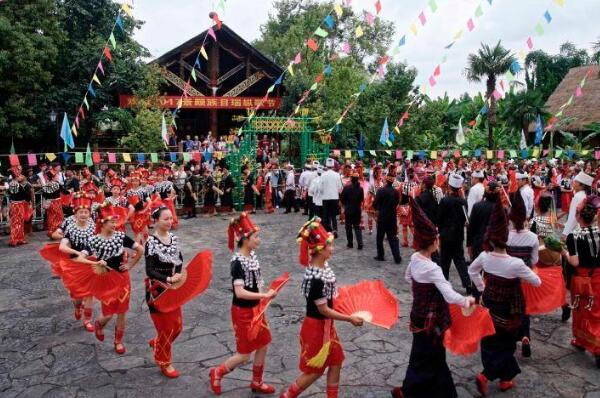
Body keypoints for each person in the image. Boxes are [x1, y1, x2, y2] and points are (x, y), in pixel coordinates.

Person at [391, 199, 475, 398]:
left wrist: (420, 292)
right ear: (433, 243)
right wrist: (467, 301)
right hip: (432, 318)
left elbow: (407, 277)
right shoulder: (432, 268)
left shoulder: (414, 259)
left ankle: (437, 391)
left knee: (425, 354)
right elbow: (448, 293)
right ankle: (412, 390)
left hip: (417, 313)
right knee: (429, 355)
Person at [279, 218, 363, 397]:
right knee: (315, 371)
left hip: (326, 327)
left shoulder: (322, 270)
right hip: (316, 329)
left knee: (336, 361)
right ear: (318, 250)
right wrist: (349, 319)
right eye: (328, 246)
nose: (331, 249)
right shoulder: (316, 279)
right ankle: (286, 396)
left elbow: (330, 301)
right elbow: (324, 310)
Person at [468, 200, 541, 395]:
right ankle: (486, 375)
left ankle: (506, 379)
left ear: (490, 239)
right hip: (510, 308)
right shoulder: (515, 263)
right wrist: (521, 274)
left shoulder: (485, 257)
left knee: (490, 342)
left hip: (489, 303)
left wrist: (482, 288)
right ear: (505, 238)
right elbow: (536, 282)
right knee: (507, 345)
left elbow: (472, 271)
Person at [210, 213, 277, 395]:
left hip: (256, 309)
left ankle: (257, 381)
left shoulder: (252, 255)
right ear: (244, 239)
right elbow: (239, 292)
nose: (258, 240)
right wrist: (264, 295)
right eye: (255, 237)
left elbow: (256, 282)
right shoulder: (237, 262)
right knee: (244, 354)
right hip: (243, 312)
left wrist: (262, 298)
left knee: (263, 344)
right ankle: (218, 371)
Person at [90, 203, 143, 354]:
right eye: (111, 222)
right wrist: (90, 261)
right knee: (108, 313)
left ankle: (118, 341)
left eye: (115, 222)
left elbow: (140, 249)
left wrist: (130, 265)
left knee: (122, 311)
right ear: (102, 223)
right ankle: (99, 325)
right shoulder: (94, 240)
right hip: (105, 278)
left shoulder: (120, 237)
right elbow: (83, 254)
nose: (114, 224)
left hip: (122, 278)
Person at [145, 206, 185, 378]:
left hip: (173, 289)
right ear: (156, 220)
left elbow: (180, 260)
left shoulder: (173, 238)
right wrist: (167, 279)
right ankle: (164, 362)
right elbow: (150, 270)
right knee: (166, 329)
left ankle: (158, 343)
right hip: (157, 291)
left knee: (178, 327)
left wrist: (177, 274)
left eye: (171, 218)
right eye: (165, 219)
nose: (170, 222)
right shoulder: (151, 242)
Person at [562, 195, 600, 368]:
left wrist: (564, 254)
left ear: (578, 217)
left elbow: (574, 262)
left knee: (580, 309)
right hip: (598, 275)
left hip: (582, 277)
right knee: (596, 311)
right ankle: (593, 343)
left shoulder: (574, 236)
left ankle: (583, 340)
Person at [53, 193, 97, 332]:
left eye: (86, 212)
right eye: (81, 212)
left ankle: (88, 320)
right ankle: (78, 306)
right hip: (75, 265)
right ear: (75, 214)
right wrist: (79, 253)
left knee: (90, 293)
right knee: (78, 296)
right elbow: (62, 246)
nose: (84, 214)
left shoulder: (94, 226)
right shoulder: (70, 228)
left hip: (89, 264)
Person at [506, 191, 539, 358]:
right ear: (525, 219)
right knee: (524, 309)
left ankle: (510, 340)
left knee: (510, 310)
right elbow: (534, 260)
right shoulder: (533, 238)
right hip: (525, 277)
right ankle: (525, 336)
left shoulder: (506, 237)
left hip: (509, 278)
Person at [437, 174, 470, 291]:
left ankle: (443, 285)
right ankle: (467, 284)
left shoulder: (444, 201)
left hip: (445, 235)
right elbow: (466, 219)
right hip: (458, 234)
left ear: (449, 187)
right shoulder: (463, 202)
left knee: (444, 261)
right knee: (460, 260)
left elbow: (439, 218)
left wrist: (440, 230)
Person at [373, 168, 402, 264]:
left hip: (382, 217)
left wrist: (378, 209)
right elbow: (397, 202)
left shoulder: (381, 191)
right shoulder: (395, 192)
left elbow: (375, 204)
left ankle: (380, 255)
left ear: (386, 180)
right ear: (393, 181)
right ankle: (397, 257)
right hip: (392, 218)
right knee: (393, 238)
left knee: (379, 238)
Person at [467, 182, 500, 262]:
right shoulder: (501, 209)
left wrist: (469, 244)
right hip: (495, 244)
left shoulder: (477, 206)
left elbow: (471, 227)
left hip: (479, 242)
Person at [562, 171, 593, 241]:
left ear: (582, 185)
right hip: (577, 228)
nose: (573, 183)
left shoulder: (578, 196)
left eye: (576, 182)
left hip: (573, 231)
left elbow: (573, 216)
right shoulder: (581, 195)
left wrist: (565, 233)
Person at [7, 167, 33, 247]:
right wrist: (29, 201)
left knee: (15, 222)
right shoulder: (19, 185)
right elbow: (26, 195)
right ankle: (16, 239)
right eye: (18, 175)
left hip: (13, 205)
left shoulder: (11, 184)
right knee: (19, 222)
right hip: (20, 205)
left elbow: (9, 193)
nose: (20, 176)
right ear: (16, 176)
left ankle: (17, 239)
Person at [340, 171, 364, 250]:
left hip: (349, 210)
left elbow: (342, 199)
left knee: (348, 227)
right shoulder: (361, 189)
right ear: (357, 179)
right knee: (357, 227)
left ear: (351, 179)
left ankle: (350, 243)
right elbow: (361, 199)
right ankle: (360, 243)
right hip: (357, 210)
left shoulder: (347, 188)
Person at [320, 159, 342, 235]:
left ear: (326, 166)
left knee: (325, 215)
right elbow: (340, 188)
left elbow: (320, 188)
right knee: (333, 215)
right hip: (334, 197)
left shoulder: (323, 175)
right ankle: (335, 230)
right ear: (333, 166)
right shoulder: (337, 175)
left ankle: (326, 230)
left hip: (325, 197)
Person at [42, 169, 64, 238]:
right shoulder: (57, 184)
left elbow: (44, 195)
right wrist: (71, 190)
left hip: (49, 204)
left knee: (51, 217)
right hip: (56, 203)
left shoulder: (45, 186)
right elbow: (65, 192)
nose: (57, 176)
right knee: (59, 217)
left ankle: (51, 231)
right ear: (53, 177)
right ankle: (57, 232)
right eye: (56, 175)